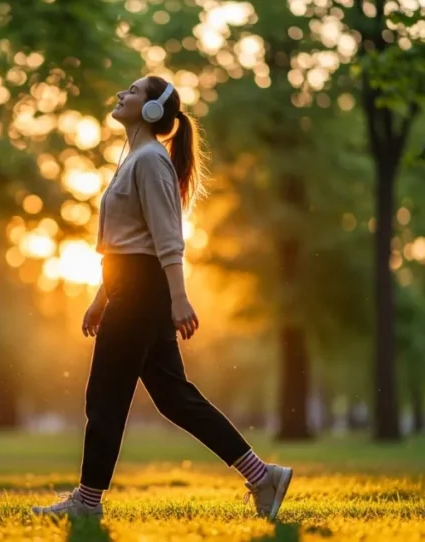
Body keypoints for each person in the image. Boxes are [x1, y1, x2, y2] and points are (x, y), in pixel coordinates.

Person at [30, 75, 293, 521]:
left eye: (132, 92)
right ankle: (261, 474)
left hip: (142, 293)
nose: (120, 94)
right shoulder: (136, 159)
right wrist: (101, 297)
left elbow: (167, 238)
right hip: (130, 290)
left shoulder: (150, 161)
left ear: (152, 111)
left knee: (105, 397)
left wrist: (179, 297)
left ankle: (86, 504)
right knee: (174, 397)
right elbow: (124, 243)